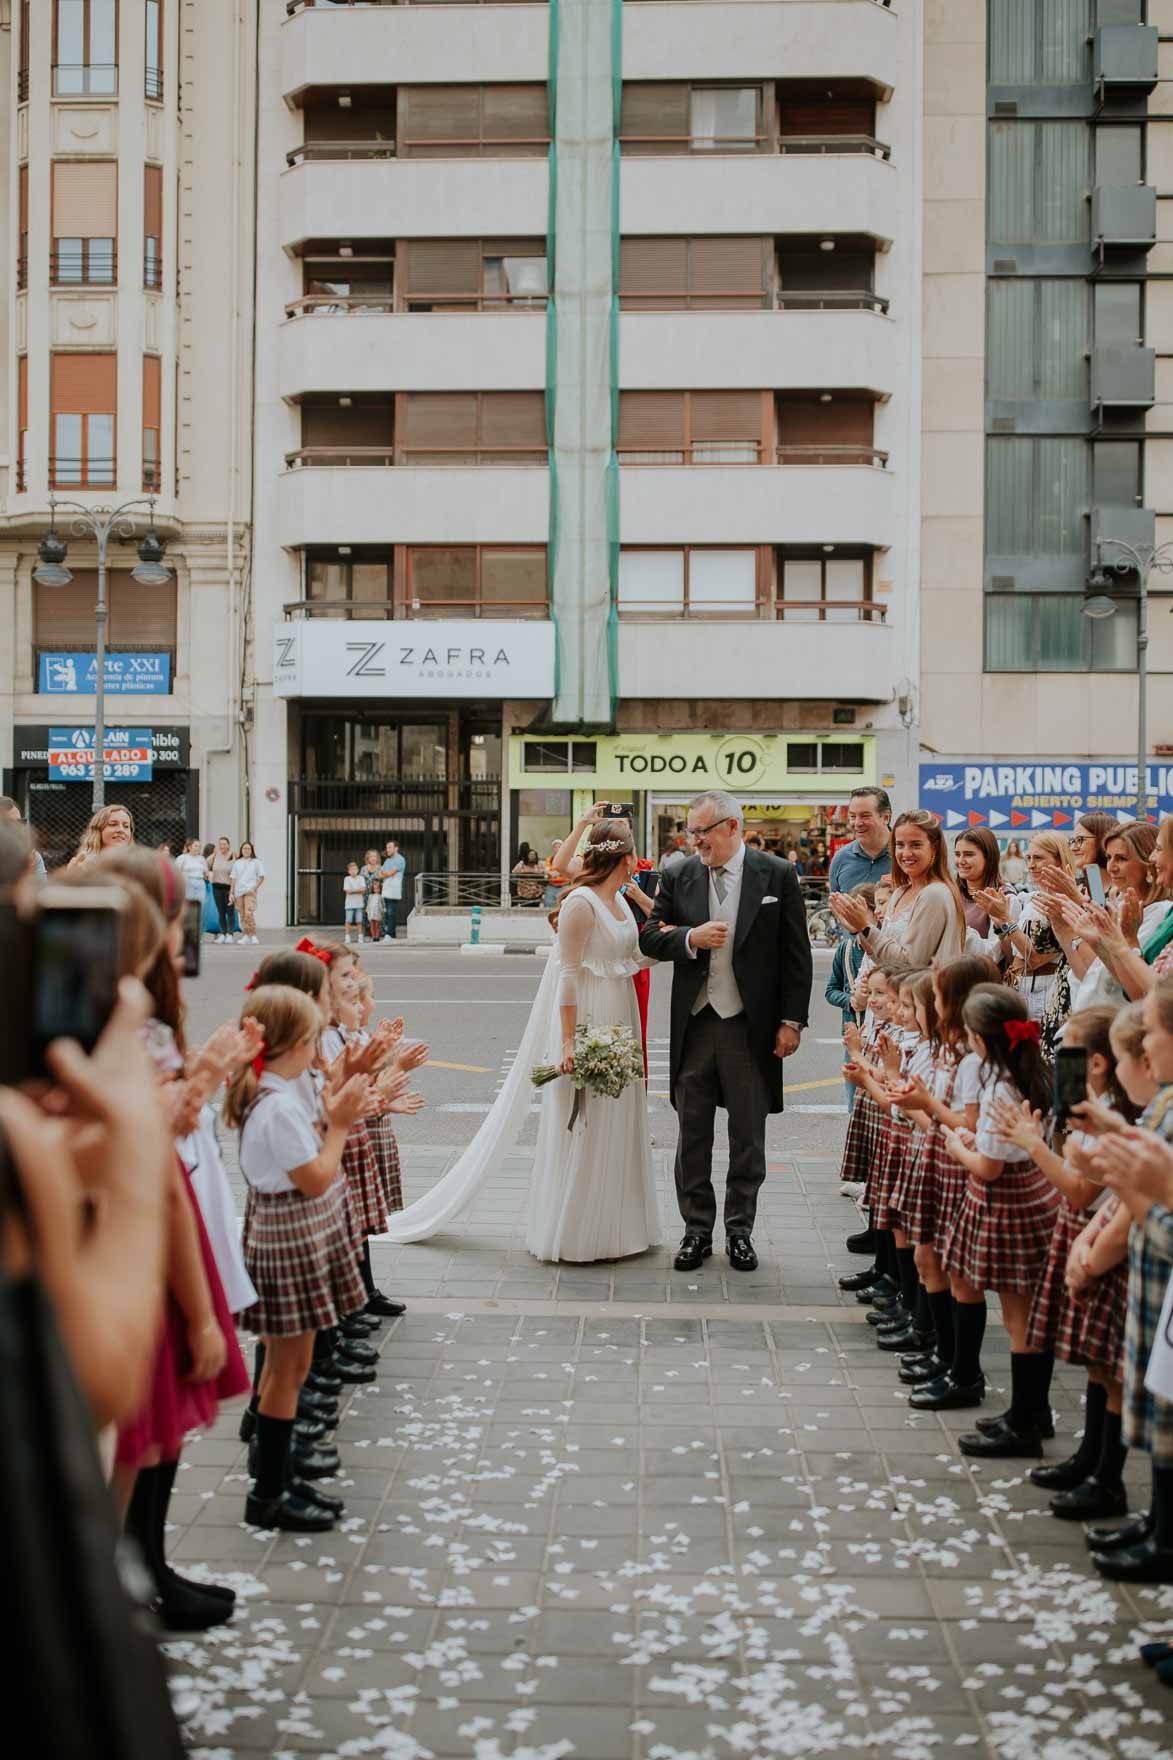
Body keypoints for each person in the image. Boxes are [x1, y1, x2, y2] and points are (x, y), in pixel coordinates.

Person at [639, 790, 812, 1274]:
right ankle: (696, 1231)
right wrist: (689, 938)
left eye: (702, 831)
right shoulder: (679, 874)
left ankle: (740, 1231)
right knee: (691, 1133)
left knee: (747, 1135)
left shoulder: (776, 874)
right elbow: (650, 935)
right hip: (695, 1024)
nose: (694, 841)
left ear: (733, 827)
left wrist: (791, 1020)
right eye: (691, 831)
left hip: (748, 1026)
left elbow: (795, 954)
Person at [224, 984, 373, 1532]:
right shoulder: (278, 1105)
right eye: (313, 1039)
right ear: (294, 1044)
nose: (319, 1050)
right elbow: (314, 1178)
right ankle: (269, 1492)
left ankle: (279, 1476)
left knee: (288, 1368)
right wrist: (339, 1123)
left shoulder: (277, 1093)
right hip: (288, 1237)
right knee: (288, 1371)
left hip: (289, 1236)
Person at [917, 985, 1059, 1423]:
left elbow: (989, 1167)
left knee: (1020, 1317)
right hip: (1022, 1194)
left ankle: (1026, 1417)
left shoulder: (999, 1089)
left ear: (980, 1039)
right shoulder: (1029, 1074)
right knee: (987, 1293)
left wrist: (957, 1143)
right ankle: (1000, 1396)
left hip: (1004, 1198)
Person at [526, 819, 660, 1261]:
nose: (637, 865)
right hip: (590, 1013)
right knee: (589, 1119)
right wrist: (568, 1043)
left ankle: (619, 1228)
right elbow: (567, 974)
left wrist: (683, 944)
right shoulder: (581, 903)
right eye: (634, 859)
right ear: (624, 860)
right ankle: (580, 1232)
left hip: (620, 1010)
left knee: (619, 1114)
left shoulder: (620, 898)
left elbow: (633, 955)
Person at [831, 809, 966, 972]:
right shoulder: (899, 892)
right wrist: (859, 928)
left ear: (935, 848)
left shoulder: (934, 894)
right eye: (900, 845)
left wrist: (866, 927)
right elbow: (883, 960)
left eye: (916, 844)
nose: (906, 853)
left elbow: (911, 965)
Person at [825, 883, 875, 1111]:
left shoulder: (883, 946)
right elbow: (831, 990)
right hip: (854, 1036)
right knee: (854, 1104)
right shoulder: (846, 949)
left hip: (879, 1037)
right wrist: (850, 1000)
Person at [828, 786, 893, 896]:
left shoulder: (904, 856)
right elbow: (836, 909)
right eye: (853, 816)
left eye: (865, 816)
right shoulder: (841, 858)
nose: (857, 823)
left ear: (886, 817)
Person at [954, 827, 1002, 939]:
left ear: (988, 857)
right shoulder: (949, 892)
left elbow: (1009, 954)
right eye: (957, 854)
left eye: (969, 854)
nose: (961, 861)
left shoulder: (1003, 897)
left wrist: (1002, 925)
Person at [67, 802, 134, 868]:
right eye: (113, 824)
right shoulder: (85, 863)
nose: (121, 830)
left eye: (126, 826)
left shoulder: (136, 864)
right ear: (98, 830)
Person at [0, 794, 46, 879]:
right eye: (9, 823)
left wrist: (29, 871)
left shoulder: (32, 857)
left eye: (20, 822)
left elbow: (42, 890)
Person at [229, 839, 265, 945]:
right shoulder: (237, 863)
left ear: (252, 850)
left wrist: (254, 887)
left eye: (248, 848)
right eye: (244, 848)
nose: (246, 850)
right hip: (238, 891)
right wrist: (231, 892)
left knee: (249, 912)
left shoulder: (256, 862)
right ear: (241, 850)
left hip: (250, 891)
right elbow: (233, 878)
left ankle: (253, 935)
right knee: (242, 914)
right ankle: (246, 935)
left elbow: (262, 877)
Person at [208, 836, 235, 941]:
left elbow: (238, 870)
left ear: (228, 845)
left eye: (224, 844)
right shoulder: (215, 855)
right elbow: (204, 864)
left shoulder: (233, 855)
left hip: (229, 887)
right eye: (220, 844)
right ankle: (223, 934)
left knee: (230, 911)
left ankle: (230, 934)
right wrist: (207, 874)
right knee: (221, 911)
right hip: (216, 887)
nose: (222, 846)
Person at [380, 840, 406, 941]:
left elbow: (389, 873)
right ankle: (392, 935)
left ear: (396, 848)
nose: (387, 850)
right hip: (386, 888)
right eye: (387, 848)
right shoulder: (387, 861)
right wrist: (385, 873)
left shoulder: (400, 859)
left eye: (390, 847)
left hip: (394, 889)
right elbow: (381, 875)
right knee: (387, 913)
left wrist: (385, 873)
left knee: (391, 912)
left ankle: (389, 934)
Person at [343, 859, 366, 944]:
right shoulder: (347, 879)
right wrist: (357, 890)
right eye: (351, 869)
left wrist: (352, 890)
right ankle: (347, 937)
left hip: (359, 904)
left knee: (359, 921)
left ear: (358, 870)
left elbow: (363, 890)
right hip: (349, 904)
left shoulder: (361, 878)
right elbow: (347, 891)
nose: (353, 871)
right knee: (348, 921)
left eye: (355, 869)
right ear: (348, 871)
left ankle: (360, 937)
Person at [365, 875, 384, 942]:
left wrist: (383, 911)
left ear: (380, 889)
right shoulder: (370, 896)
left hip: (377, 912)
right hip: (371, 912)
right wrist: (367, 909)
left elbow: (382, 905)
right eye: (374, 889)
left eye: (377, 889)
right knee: (371, 925)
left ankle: (377, 936)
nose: (376, 890)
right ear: (372, 889)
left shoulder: (381, 896)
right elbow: (368, 903)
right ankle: (373, 936)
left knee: (377, 925)